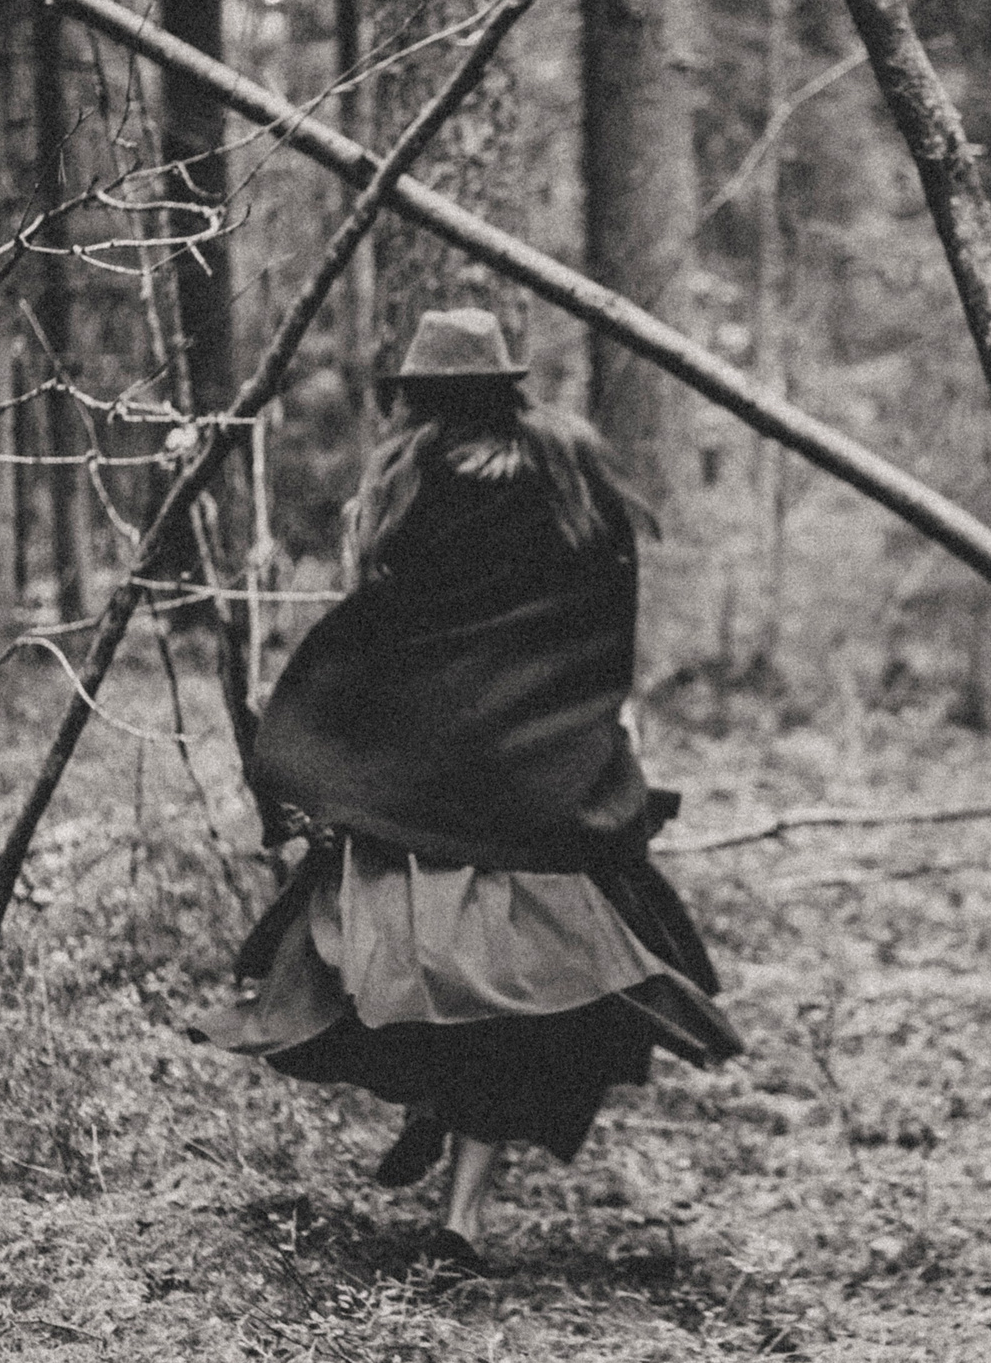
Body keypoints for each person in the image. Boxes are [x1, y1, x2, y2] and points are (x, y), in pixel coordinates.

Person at [191, 308, 741, 1274]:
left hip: (430, 788)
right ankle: (460, 1214)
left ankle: (435, 1128)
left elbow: (386, 632)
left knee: (409, 972)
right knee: (520, 1007)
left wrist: (319, 743)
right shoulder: (575, 475)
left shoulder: (410, 485)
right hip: (541, 786)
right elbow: (601, 616)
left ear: (419, 398)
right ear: (509, 386)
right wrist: (589, 723)